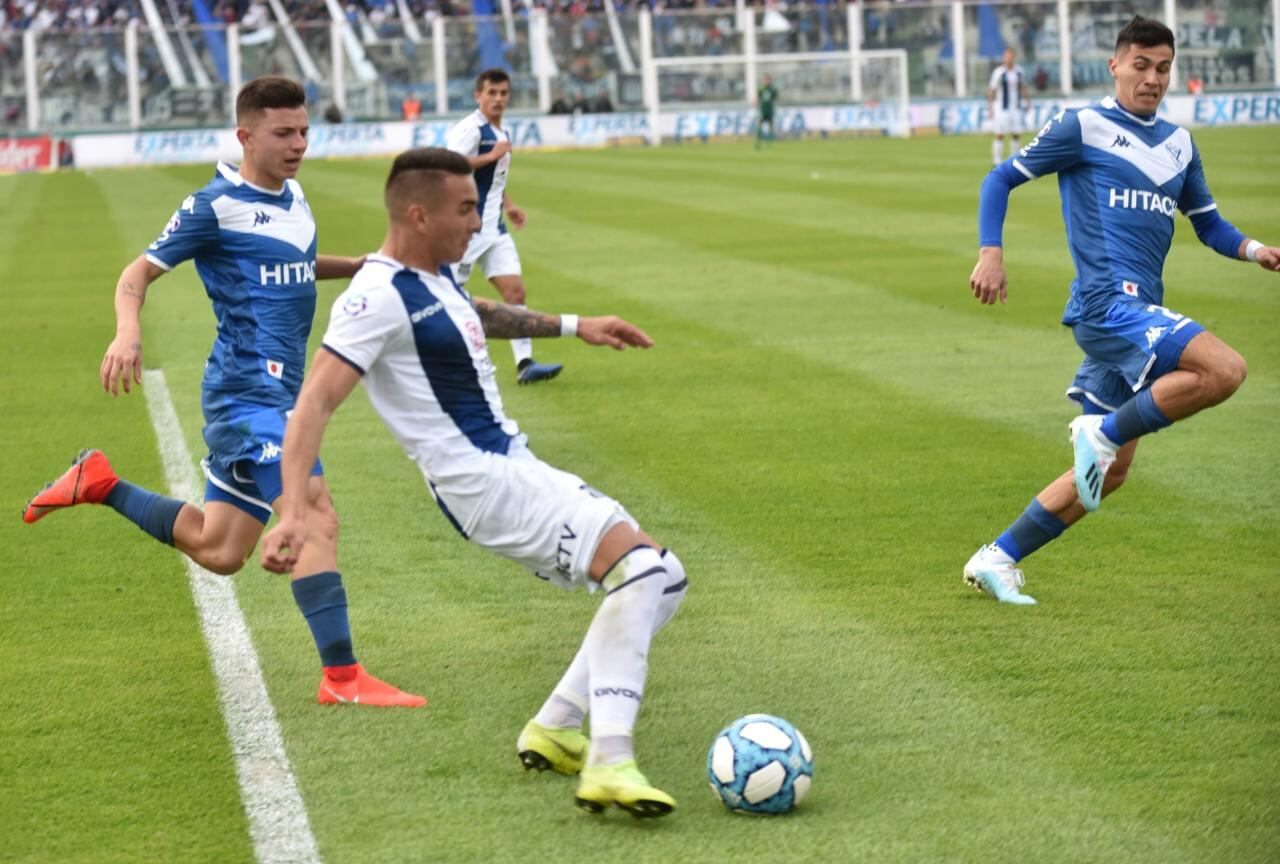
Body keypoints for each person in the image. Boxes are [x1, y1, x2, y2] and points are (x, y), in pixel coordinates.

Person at [260, 148, 687, 817]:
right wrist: (290, 514)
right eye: (465, 208)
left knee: (666, 574)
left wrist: (577, 326)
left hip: (508, 464)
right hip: (480, 479)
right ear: (418, 213)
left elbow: (474, 313)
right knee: (637, 571)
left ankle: (555, 725)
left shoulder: (433, 276)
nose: (476, 220)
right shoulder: (374, 298)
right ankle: (609, 759)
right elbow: (313, 401)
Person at [23, 77, 425, 707]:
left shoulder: (292, 195)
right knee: (314, 509)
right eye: (283, 133)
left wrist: (363, 266)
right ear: (246, 135)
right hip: (247, 395)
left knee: (220, 548)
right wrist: (127, 333)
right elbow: (137, 274)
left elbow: (291, 263)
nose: (298, 144)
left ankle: (100, 482)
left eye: (303, 131)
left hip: (278, 393)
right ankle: (343, 679)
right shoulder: (212, 204)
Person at [964, 16, 1280, 605]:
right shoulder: (1083, 126)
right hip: (1107, 305)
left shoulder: (1181, 144)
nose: (1153, 78)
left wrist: (1255, 249)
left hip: (1139, 314)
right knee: (1225, 370)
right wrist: (991, 253)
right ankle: (1101, 431)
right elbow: (1000, 178)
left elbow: (1207, 223)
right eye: (1141, 64)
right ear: (1116, 65)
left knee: (1108, 474)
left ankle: (998, 557)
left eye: (1163, 67)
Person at [446, 68, 562, 385]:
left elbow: (490, 180)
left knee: (515, 291)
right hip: (465, 229)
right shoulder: (472, 129)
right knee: (447, 297)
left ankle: (525, 363)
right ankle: (442, 363)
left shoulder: (500, 132)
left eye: (503, 93)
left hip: (494, 228)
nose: (498, 99)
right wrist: (490, 156)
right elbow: (446, 165)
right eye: (491, 93)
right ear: (478, 96)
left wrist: (508, 205)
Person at [987, 48, 1029, 166]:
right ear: (1004, 58)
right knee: (1000, 134)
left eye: (1010, 56)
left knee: (1016, 134)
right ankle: (997, 160)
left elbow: (1024, 87)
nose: (1008, 59)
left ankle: (1014, 159)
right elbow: (992, 90)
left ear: (1013, 57)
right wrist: (990, 107)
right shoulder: (999, 72)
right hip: (1002, 108)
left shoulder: (1019, 72)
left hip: (1016, 107)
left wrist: (1028, 102)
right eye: (1006, 56)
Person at [756, 74, 778, 149]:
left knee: (770, 124)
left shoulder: (772, 89)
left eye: (767, 80)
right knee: (760, 123)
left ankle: (770, 139)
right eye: (765, 80)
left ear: (770, 81)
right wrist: (756, 104)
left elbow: (776, 98)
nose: (766, 81)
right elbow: (758, 98)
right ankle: (759, 139)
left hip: (770, 109)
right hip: (763, 109)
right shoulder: (761, 89)